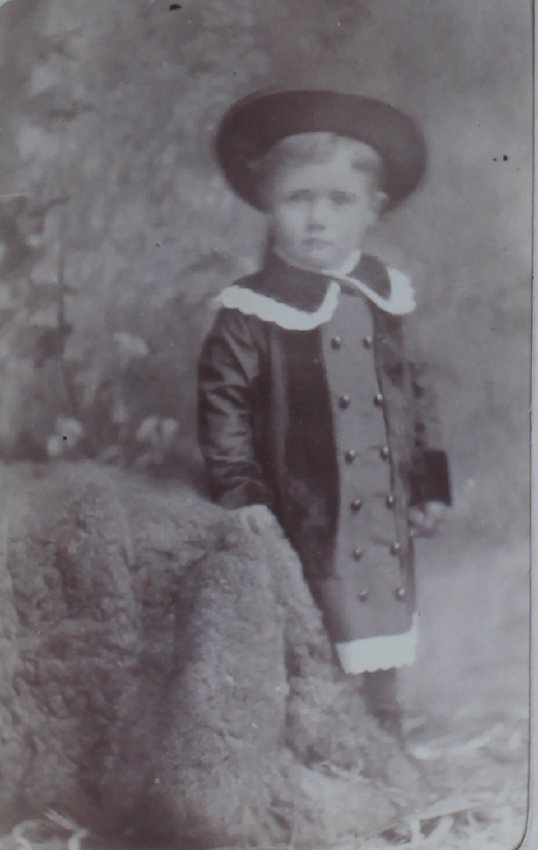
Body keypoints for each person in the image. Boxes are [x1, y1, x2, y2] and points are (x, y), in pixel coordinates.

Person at [198, 89, 451, 740]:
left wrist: (429, 485)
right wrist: (240, 491)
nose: (317, 219)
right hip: (304, 501)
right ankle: (309, 733)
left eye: (339, 201)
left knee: (384, 597)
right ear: (268, 203)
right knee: (310, 609)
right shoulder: (252, 310)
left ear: (373, 210)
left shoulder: (384, 295)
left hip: (381, 500)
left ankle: (384, 727)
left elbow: (416, 392)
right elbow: (223, 405)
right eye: (298, 199)